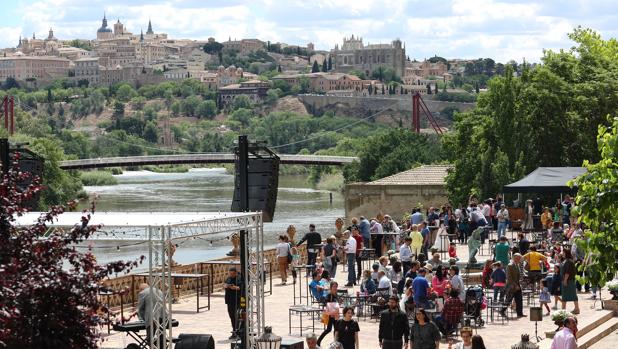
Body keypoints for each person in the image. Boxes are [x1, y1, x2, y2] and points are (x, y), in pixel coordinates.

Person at [135, 282, 166, 348]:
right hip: (162, 317)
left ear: (141, 289)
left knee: (151, 339)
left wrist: (143, 319)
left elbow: (140, 309)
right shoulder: (159, 291)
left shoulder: (142, 293)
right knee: (161, 338)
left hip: (152, 319)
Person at [317, 282, 340, 346]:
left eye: (336, 286)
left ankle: (335, 342)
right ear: (331, 288)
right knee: (329, 329)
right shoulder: (329, 295)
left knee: (336, 329)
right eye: (334, 286)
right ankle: (318, 341)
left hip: (335, 314)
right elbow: (325, 302)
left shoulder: (336, 295)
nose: (335, 288)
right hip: (330, 315)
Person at [223, 267, 242, 339]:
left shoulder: (239, 279)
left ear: (236, 273)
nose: (231, 275)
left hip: (236, 300)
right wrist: (226, 286)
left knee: (237, 317)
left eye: (232, 273)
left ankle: (239, 332)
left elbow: (240, 288)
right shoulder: (228, 278)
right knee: (232, 317)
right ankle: (234, 331)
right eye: (230, 273)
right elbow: (224, 284)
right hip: (229, 301)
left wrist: (233, 287)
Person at [504, 253, 525, 318]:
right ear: (514, 258)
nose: (519, 260)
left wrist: (519, 284)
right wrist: (515, 285)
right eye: (518, 258)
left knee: (519, 299)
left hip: (517, 285)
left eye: (520, 258)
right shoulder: (510, 265)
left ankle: (520, 313)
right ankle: (502, 310)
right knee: (509, 300)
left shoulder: (517, 265)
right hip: (511, 286)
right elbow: (509, 277)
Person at [561, 249, 580, 314]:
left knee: (572, 295)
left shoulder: (568, 262)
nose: (562, 254)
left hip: (569, 281)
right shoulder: (566, 261)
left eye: (563, 253)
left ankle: (576, 309)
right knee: (565, 296)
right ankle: (563, 309)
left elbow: (567, 272)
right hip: (567, 280)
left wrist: (565, 280)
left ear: (566, 253)